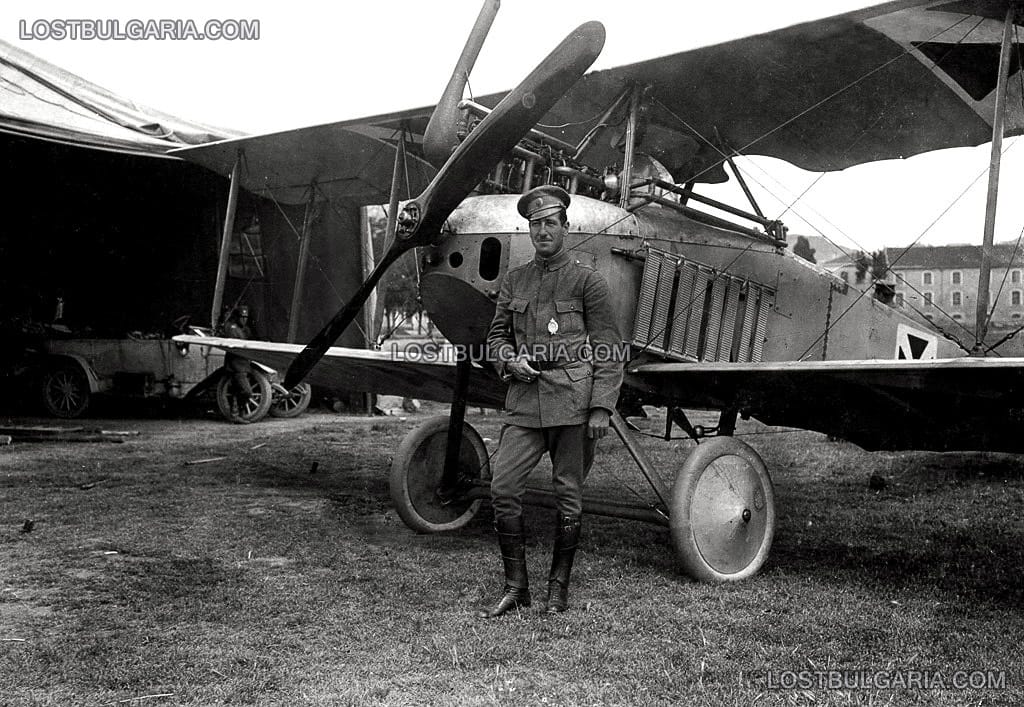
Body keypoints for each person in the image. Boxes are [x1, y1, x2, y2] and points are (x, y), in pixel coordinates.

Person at [479, 185, 623, 618]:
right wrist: (509, 361)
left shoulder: (588, 281)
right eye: (534, 224)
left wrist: (601, 407)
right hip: (524, 397)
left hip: (573, 399)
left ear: (565, 226)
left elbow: (609, 348)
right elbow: (496, 337)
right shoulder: (515, 280)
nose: (542, 230)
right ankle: (515, 588)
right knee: (503, 488)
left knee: (568, 494)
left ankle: (557, 589)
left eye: (549, 222)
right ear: (528, 230)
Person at [222, 304, 254, 412]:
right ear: (237, 317)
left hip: (244, 365)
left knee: (238, 391)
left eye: (246, 317)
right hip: (235, 366)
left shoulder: (246, 329)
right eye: (242, 317)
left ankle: (240, 414)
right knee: (246, 391)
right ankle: (236, 413)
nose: (244, 320)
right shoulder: (232, 328)